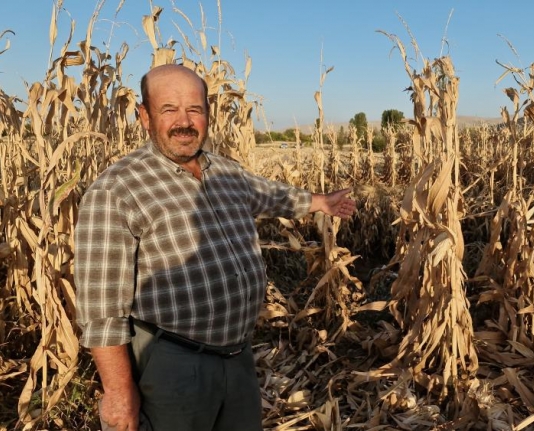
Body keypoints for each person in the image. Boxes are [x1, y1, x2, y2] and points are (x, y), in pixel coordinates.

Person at [75, 64, 356, 431]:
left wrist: (321, 202)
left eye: (195, 109)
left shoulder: (225, 172)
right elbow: (101, 310)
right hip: (174, 364)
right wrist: (118, 393)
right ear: (144, 116)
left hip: (237, 354)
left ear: (208, 115)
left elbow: (269, 195)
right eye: (169, 109)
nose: (184, 121)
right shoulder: (117, 190)